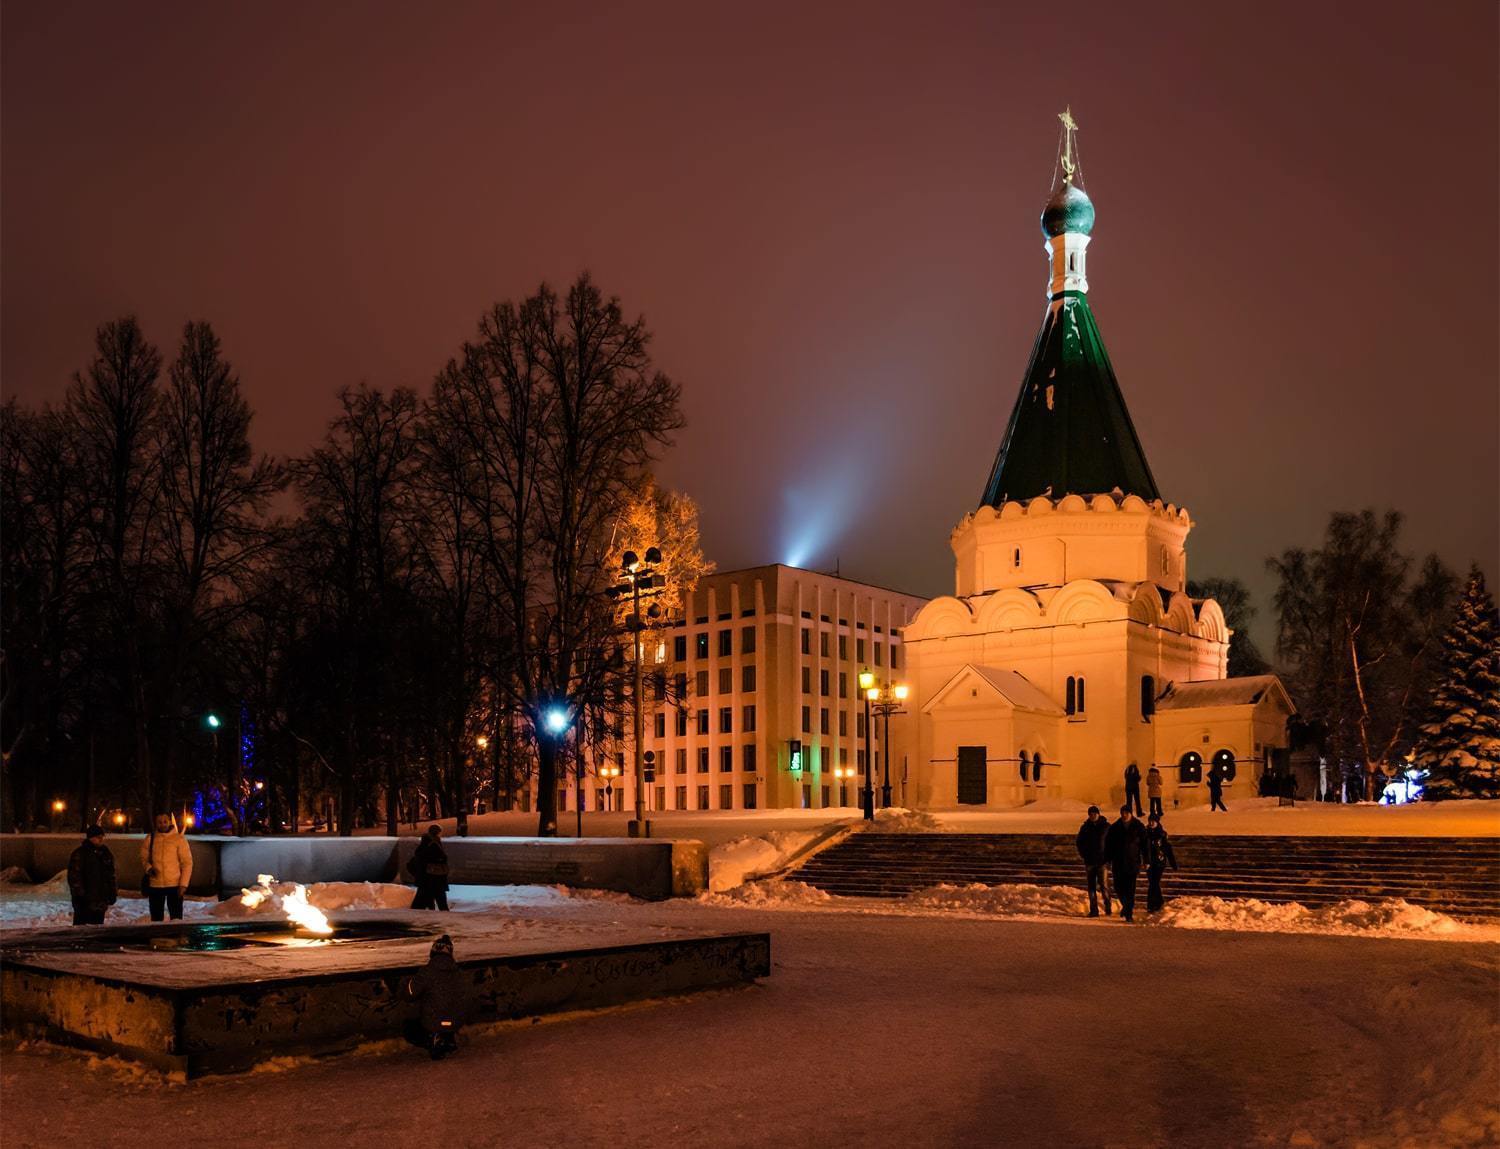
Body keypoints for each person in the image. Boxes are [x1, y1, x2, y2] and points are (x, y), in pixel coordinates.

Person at [404, 934, 465, 1059]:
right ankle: (448, 1037)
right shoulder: (458, 973)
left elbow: (410, 994)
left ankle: (433, 1039)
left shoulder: (427, 972)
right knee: (446, 1011)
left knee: (409, 1028)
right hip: (456, 1022)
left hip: (433, 1022)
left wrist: (407, 982)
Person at [140, 812, 193, 921]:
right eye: (159, 822)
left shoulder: (179, 839)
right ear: (156, 823)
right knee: (156, 917)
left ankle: (176, 936)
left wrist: (183, 884)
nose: (162, 824)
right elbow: (144, 858)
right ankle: (157, 936)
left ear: (170, 822)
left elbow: (187, 863)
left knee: (176, 916)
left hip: (174, 884)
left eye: (165, 821)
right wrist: (148, 868)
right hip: (155, 884)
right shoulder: (150, 839)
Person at [1104, 805, 1148, 922]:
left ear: (1131, 814)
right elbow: (1108, 845)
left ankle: (1128, 913)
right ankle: (1126, 906)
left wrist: (1146, 860)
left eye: (1126, 813)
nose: (1124, 815)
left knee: (1130, 888)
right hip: (1118, 862)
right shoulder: (1115, 827)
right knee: (1118, 887)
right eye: (1122, 812)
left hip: (1132, 862)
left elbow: (1145, 845)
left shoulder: (1138, 826)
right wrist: (1107, 859)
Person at [67, 825, 118, 925]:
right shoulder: (80, 854)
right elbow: (74, 877)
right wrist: (80, 896)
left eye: (102, 837)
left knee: (97, 926)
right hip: (85, 901)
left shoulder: (105, 853)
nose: (101, 839)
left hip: (100, 899)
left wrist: (112, 892)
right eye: (98, 837)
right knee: (82, 928)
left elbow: (111, 875)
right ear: (91, 837)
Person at [1074, 805, 1112, 917]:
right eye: (1091, 814)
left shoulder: (1106, 827)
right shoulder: (1085, 827)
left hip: (1102, 861)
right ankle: (1094, 910)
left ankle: (1108, 907)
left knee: (1104, 886)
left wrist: (1108, 857)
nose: (1093, 816)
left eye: (1095, 814)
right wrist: (1084, 854)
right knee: (1091, 887)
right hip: (1089, 861)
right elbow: (1079, 842)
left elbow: (1112, 843)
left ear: (1099, 814)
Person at [408, 824, 450, 911]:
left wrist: (418, 874)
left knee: (421, 904)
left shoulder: (425, 844)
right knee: (441, 903)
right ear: (437, 833)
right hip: (434, 879)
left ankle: (422, 918)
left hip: (425, 879)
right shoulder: (434, 844)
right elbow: (441, 859)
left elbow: (414, 862)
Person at [1145, 813, 1179, 913]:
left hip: (1159, 862)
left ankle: (1151, 905)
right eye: (1150, 821)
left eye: (1153, 821)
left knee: (1153, 883)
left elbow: (1168, 849)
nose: (1151, 823)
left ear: (1157, 822)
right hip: (1149, 862)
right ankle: (1159, 902)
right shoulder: (1145, 833)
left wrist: (1173, 863)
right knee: (1153, 883)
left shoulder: (1162, 834)